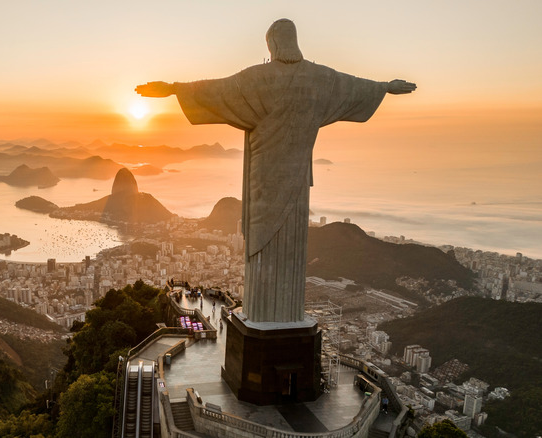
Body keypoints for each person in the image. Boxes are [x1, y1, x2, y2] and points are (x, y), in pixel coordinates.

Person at [136, 19, 415, 323]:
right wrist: (385, 87)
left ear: (273, 44)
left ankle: (265, 318)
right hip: (296, 180)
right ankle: (282, 315)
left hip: (265, 179)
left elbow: (218, 90)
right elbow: (351, 87)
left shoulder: (257, 79)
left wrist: (175, 89)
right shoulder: (320, 79)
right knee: (288, 243)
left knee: (262, 240)